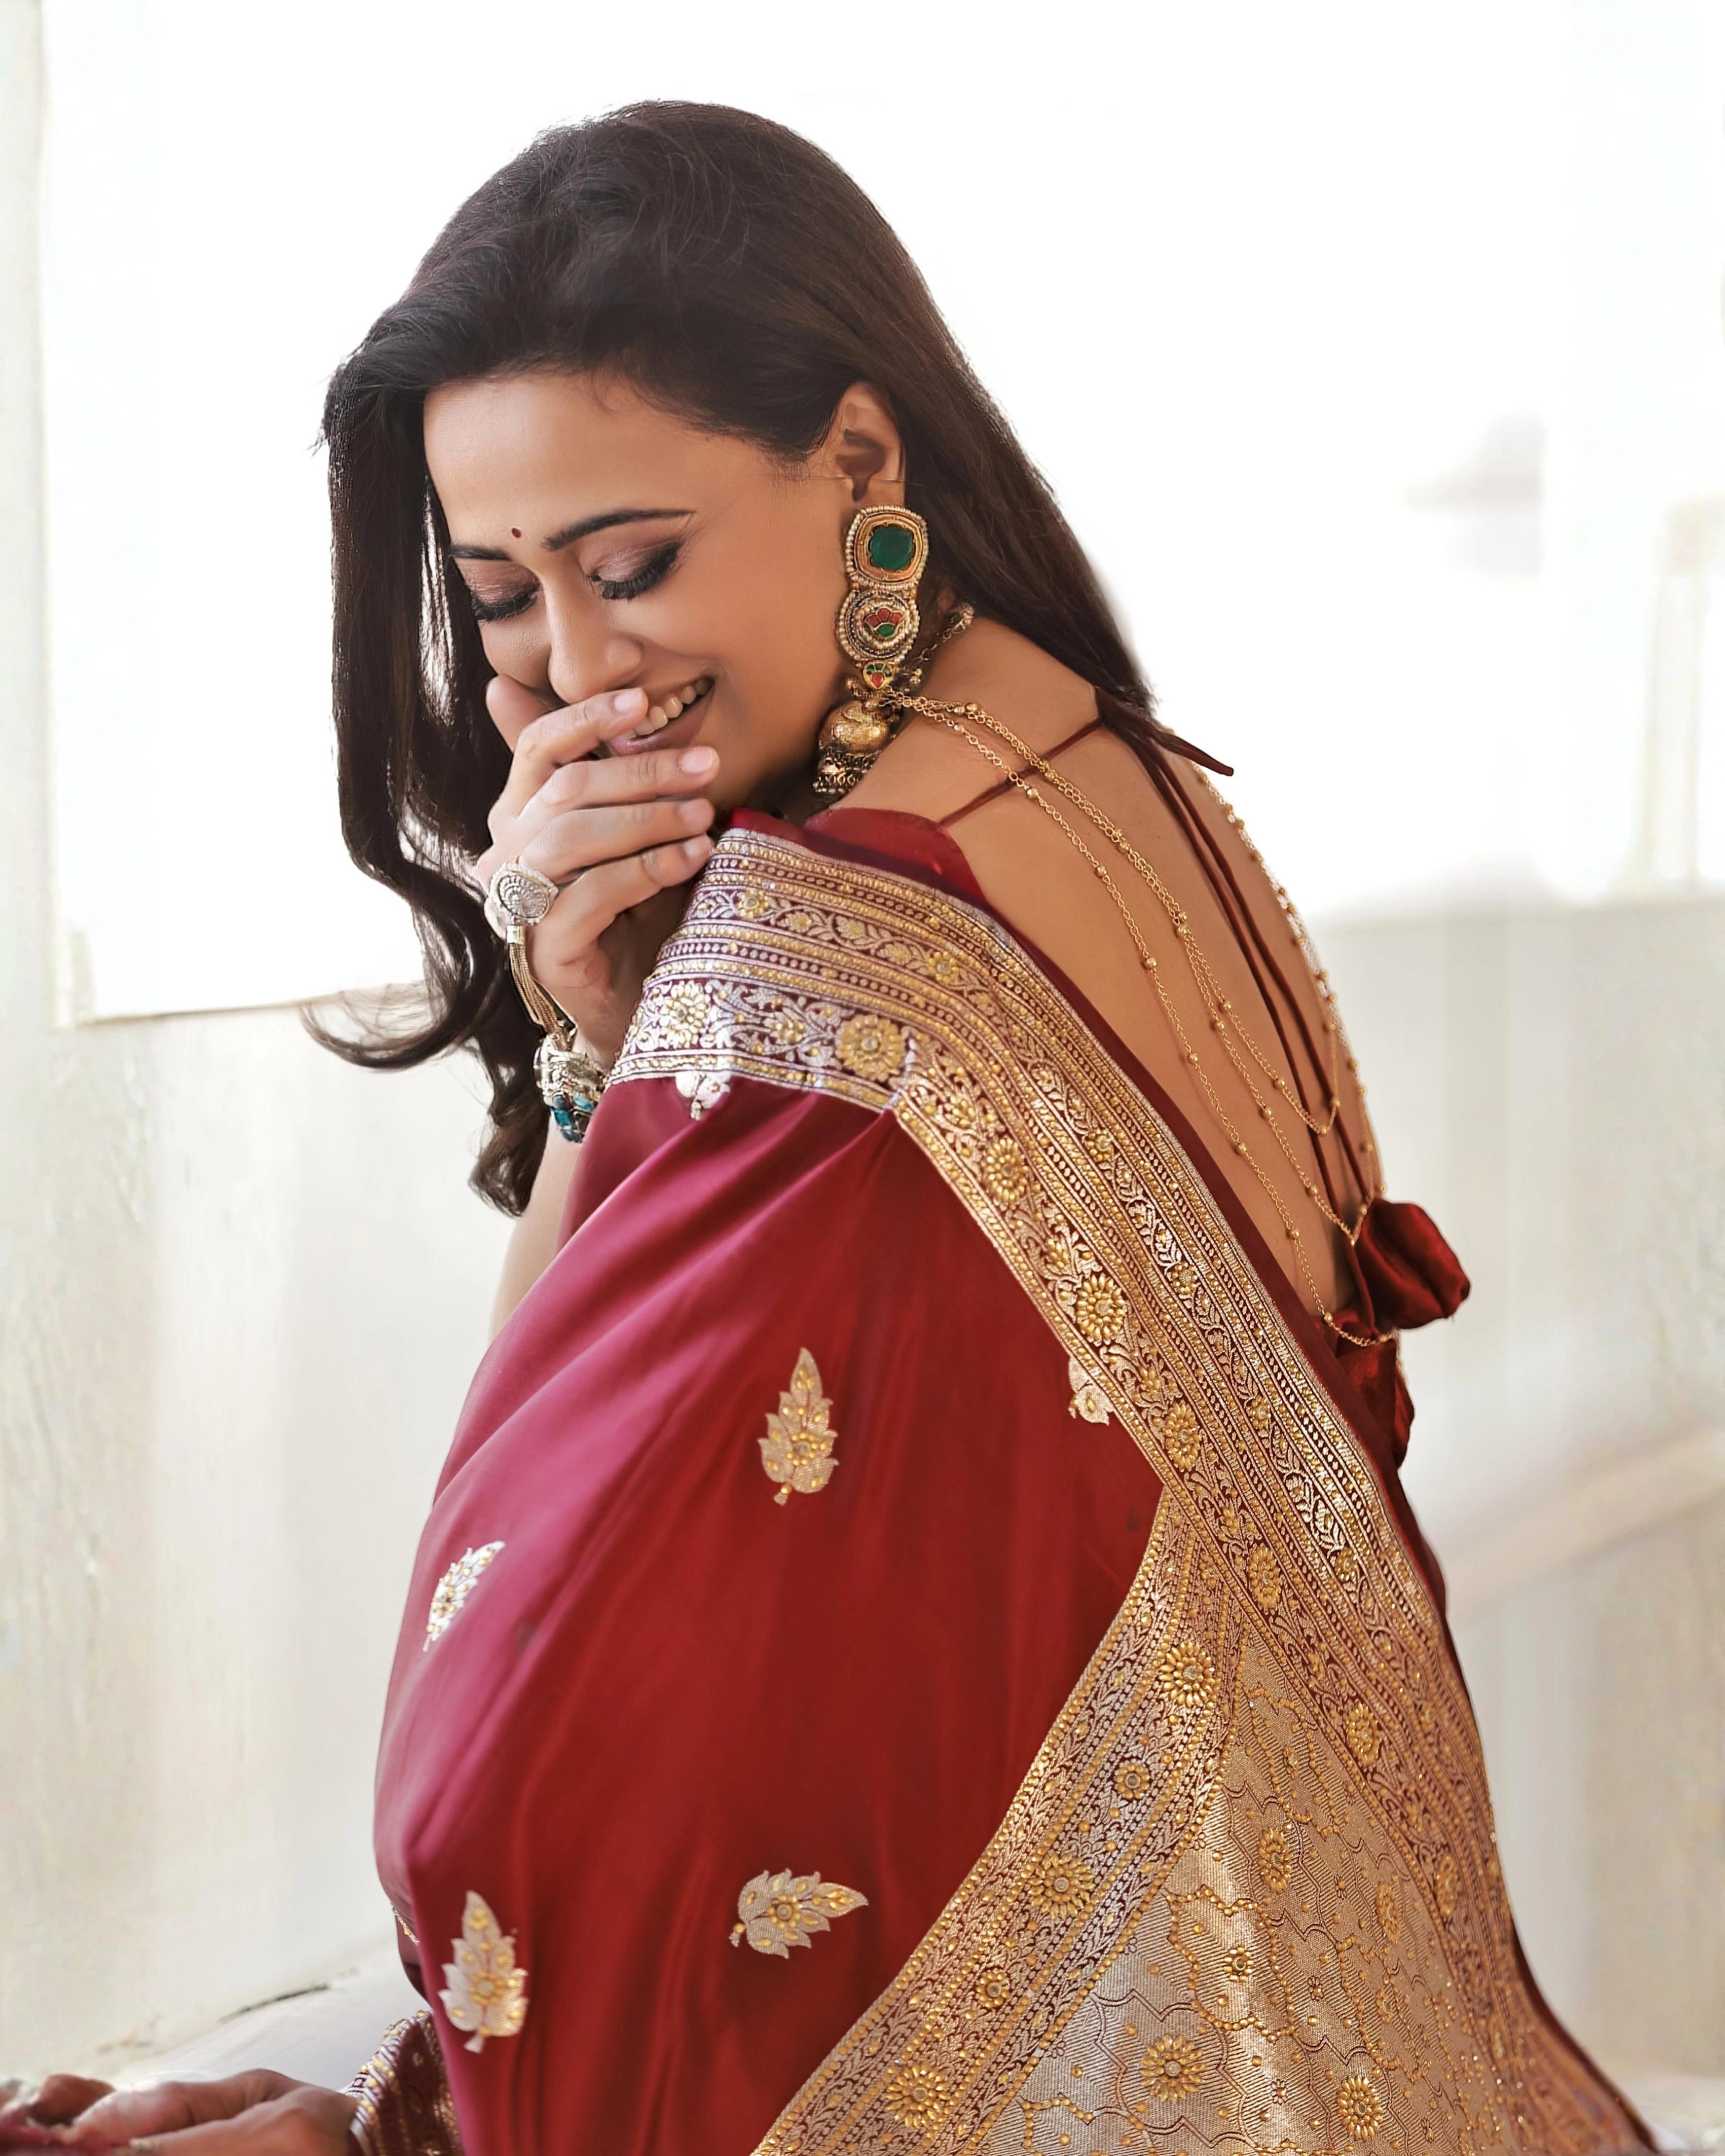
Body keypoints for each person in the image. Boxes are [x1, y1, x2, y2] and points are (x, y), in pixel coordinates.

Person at [8, 103, 1650, 2156]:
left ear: (860, 466)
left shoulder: (848, 937)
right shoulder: (1084, 762)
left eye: (632, 565)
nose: (577, 675)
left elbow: (550, 1543)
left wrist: (592, 1035)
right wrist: (609, 1026)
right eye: (503, 591)